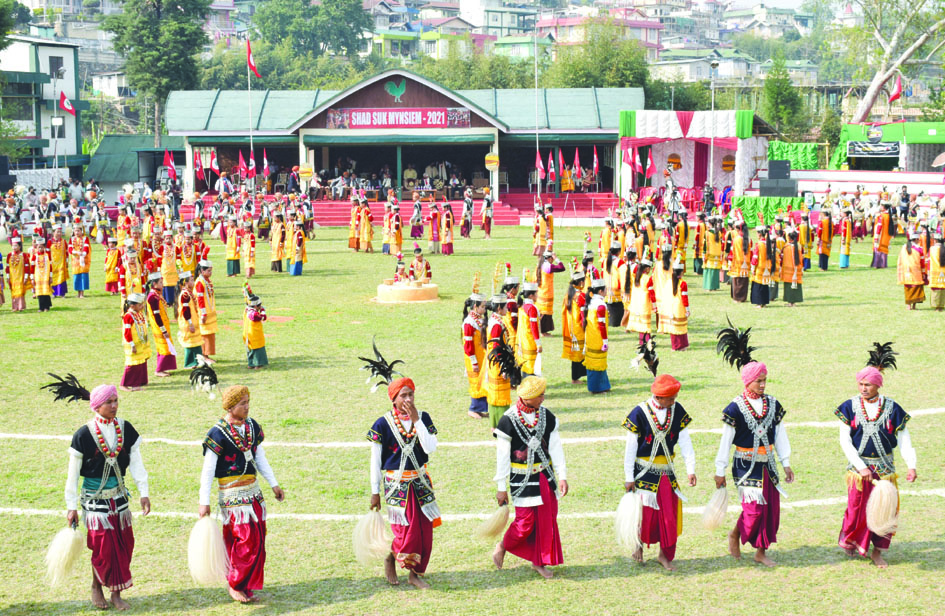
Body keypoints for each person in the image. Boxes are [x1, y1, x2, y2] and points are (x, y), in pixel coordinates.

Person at [60, 382, 150, 610]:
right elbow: (72, 474)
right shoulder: (83, 434)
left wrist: (144, 492)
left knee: (123, 545)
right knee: (102, 548)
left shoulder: (125, 428)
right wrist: (71, 506)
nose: (114, 406)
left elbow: (136, 462)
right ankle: (96, 587)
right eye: (108, 402)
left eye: (115, 401)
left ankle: (116, 593)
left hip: (119, 497)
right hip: (94, 500)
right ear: (97, 407)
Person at [199, 386, 284, 603]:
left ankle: (244, 583)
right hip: (232, 495)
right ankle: (234, 583)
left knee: (257, 539)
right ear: (230, 406)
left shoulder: (252, 427)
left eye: (248, 402)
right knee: (244, 538)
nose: (247, 407)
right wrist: (204, 501)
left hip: (253, 492)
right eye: (242, 404)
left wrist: (273, 484)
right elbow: (208, 469)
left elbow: (260, 457)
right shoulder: (217, 433)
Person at [835, 366, 917, 567]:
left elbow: (904, 439)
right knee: (856, 510)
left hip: (885, 471)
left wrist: (911, 465)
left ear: (877, 385)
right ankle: (853, 541)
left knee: (885, 511)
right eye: (861, 384)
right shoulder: (849, 407)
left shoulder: (892, 408)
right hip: (858, 472)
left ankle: (877, 551)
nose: (863, 388)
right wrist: (861, 466)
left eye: (868, 385)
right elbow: (845, 441)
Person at [714, 361, 794, 567]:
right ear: (748, 381)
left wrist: (785, 462)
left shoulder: (773, 404)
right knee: (753, 511)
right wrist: (719, 469)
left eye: (764, 380)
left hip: (768, 465)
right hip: (745, 465)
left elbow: (780, 433)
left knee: (770, 511)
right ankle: (735, 534)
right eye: (758, 381)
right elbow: (726, 439)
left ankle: (761, 551)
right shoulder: (735, 408)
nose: (763, 385)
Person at [367, 373, 440, 589]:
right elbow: (375, 460)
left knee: (424, 532)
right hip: (397, 485)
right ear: (394, 400)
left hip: (421, 483)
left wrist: (417, 420)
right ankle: (391, 555)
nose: (408, 400)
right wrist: (374, 491)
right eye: (403, 396)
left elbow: (430, 448)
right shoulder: (382, 424)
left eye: (411, 395)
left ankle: (415, 574)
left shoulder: (423, 418)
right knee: (406, 533)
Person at [492, 376, 568, 579]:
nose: (543, 398)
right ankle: (503, 545)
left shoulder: (547, 416)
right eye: (540, 395)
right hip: (521, 480)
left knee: (546, 520)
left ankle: (539, 561)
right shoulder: (508, 420)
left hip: (545, 477)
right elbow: (502, 457)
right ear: (528, 398)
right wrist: (501, 487)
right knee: (525, 522)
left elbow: (556, 447)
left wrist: (562, 475)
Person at [622, 374, 695, 570]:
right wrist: (629, 477)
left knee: (669, 516)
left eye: (675, 398)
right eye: (670, 398)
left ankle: (665, 555)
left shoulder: (676, 410)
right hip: (643, 474)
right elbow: (630, 448)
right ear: (658, 397)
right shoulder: (639, 413)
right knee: (644, 515)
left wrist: (691, 469)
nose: (674, 402)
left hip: (667, 474)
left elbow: (685, 440)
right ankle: (637, 546)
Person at [462, 291, 489, 419]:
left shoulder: (479, 319)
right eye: (482, 306)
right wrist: (473, 362)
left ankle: (481, 408)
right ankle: (473, 409)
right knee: (476, 382)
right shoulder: (469, 323)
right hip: (474, 358)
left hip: (481, 356)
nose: (484, 309)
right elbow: (468, 346)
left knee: (482, 380)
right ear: (475, 307)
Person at [145, 273, 177, 377]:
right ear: (154, 284)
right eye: (160, 282)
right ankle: (159, 370)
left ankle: (162, 368)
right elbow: (157, 316)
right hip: (159, 327)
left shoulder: (157, 294)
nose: (163, 284)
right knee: (164, 347)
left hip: (162, 325)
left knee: (164, 347)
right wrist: (163, 330)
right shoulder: (153, 297)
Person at [583, 278, 610, 394]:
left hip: (590, 336)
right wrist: (605, 341)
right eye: (605, 290)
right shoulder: (600, 305)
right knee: (597, 362)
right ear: (600, 291)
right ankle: (596, 387)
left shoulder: (591, 303)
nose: (606, 292)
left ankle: (604, 385)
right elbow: (602, 325)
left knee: (596, 362)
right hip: (597, 337)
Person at [120, 293, 151, 391]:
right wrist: (132, 345)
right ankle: (124, 384)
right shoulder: (128, 316)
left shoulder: (138, 314)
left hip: (140, 343)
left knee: (141, 362)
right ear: (132, 306)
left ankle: (140, 381)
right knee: (132, 364)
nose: (142, 307)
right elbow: (127, 332)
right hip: (132, 344)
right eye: (140, 305)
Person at [561, 271, 587, 384]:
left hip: (571, 326)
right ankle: (575, 378)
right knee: (579, 353)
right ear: (581, 282)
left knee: (577, 353)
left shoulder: (569, 294)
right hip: (578, 327)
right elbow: (582, 314)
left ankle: (577, 376)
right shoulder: (579, 295)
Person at [176, 271, 203, 367]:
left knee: (195, 341)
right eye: (191, 280)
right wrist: (190, 323)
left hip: (192, 320)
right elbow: (186, 310)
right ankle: (191, 362)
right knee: (190, 342)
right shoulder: (185, 295)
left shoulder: (188, 293)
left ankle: (197, 360)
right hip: (188, 322)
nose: (193, 282)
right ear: (186, 283)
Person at [516, 279, 541, 375]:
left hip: (523, 340)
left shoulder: (523, 305)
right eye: (536, 293)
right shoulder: (531, 308)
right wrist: (538, 343)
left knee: (526, 365)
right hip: (531, 341)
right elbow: (533, 327)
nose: (537, 296)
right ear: (531, 295)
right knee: (531, 366)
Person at [195, 260, 218, 361]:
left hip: (210, 312)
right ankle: (204, 355)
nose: (210, 273)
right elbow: (200, 299)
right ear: (202, 271)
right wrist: (203, 313)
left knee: (210, 334)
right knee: (205, 335)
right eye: (208, 271)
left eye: (211, 271)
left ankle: (207, 354)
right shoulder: (200, 283)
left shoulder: (207, 281)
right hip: (204, 313)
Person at [627, 258, 655, 342]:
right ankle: (646, 340)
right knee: (645, 324)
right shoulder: (647, 278)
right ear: (647, 268)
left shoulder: (637, 277)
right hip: (644, 303)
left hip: (636, 303)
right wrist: (654, 304)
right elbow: (652, 292)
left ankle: (643, 340)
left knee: (640, 324)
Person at [897, 232, 926, 310]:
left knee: (908, 287)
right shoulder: (919, 249)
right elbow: (922, 262)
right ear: (916, 239)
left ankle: (908, 305)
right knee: (915, 288)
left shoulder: (904, 247)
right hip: (916, 272)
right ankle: (914, 306)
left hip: (906, 271)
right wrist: (923, 272)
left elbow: (901, 259)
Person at [749, 227, 774, 309]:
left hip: (759, 268)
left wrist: (752, 266)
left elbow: (755, 257)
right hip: (767, 268)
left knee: (758, 286)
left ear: (759, 234)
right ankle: (764, 302)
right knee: (765, 286)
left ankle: (759, 303)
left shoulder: (759, 244)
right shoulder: (768, 243)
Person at [667, 261, 690, 350]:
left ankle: (675, 345)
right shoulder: (683, 283)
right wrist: (687, 309)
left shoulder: (669, 282)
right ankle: (681, 345)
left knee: (674, 326)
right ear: (681, 272)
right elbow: (685, 298)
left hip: (671, 306)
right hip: (679, 307)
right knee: (681, 327)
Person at [243, 293, 268, 369]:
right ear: (255, 306)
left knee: (250, 350)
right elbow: (263, 317)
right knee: (257, 349)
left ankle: (251, 364)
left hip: (248, 334)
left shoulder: (247, 310)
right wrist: (263, 311)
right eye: (259, 305)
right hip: (254, 335)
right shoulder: (253, 314)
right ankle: (257, 364)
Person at [780, 229, 804, 307]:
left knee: (788, 286)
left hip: (788, 270)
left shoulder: (786, 247)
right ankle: (794, 301)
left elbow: (782, 257)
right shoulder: (799, 246)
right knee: (796, 285)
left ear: (789, 238)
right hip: (797, 270)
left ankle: (790, 301)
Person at [729, 222, 751, 303]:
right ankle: (743, 297)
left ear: (738, 229)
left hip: (737, 263)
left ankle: (737, 298)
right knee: (744, 281)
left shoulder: (736, 239)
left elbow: (732, 252)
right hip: (746, 263)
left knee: (737, 281)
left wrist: (730, 262)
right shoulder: (748, 239)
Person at [30, 235, 53, 312]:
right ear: (36, 248)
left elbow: (51, 267)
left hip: (46, 276)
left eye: (42, 247)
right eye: (39, 247)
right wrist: (32, 278)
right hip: (38, 277)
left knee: (45, 291)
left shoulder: (47, 256)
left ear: (44, 247)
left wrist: (51, 277)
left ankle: (47, 306)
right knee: (39, 292)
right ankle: (41, 307)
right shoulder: (34, 256)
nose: (40, 249)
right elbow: (32, 268)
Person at [6, 237, 29, 311]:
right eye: (13, 245)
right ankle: (15, 307)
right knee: (14, 290)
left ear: (19, 246)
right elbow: (7, 267)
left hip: (21, 276)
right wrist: (7, 277)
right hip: (13, 277)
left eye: (16, 246)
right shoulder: (9, 255)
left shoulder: (24, 255)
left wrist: (25, 277)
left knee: (20, 290)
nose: (14, 247)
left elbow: (27, 267)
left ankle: (21, 306)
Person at [703, 216, 723, 291]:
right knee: (715, 270)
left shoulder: (707, 233)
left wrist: (704, 253)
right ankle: (715, 286)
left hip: (710, 253)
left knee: (709, 270)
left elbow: (705, 244)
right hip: (717, 253)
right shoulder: (719, 232)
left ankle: (709, 286)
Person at [871, 204, 894, 268]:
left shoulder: (882, 216)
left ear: (884, 208)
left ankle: (878, 264)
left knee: (879, 248)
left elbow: (879, 226)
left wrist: (876, 236)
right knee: (884, 249)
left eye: (881, 206)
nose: (880, 207)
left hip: (881, 235)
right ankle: (883, 264)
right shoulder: (888, 216)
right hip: (886, 236)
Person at [49, 224, 68, 297]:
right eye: (57, 232)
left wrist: (66, 261)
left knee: (61, 277)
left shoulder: (63, 241)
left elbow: (66, 252)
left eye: (60, 232)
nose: (59, 233)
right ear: (53, 232)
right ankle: (54, 293)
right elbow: (47, 253)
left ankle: (62, 293)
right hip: (53, 263)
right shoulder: (50, 242)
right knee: (53, 277)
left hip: (61, 263)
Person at [929, 232, 945, 311]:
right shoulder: (943, 248)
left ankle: (936, 306)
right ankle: (941, 306)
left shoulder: (932, 249)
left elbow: (929, 262)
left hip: (934, 272)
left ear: (935, 240)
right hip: (943, 272)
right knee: (942, 289)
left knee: (935, 289)